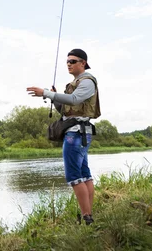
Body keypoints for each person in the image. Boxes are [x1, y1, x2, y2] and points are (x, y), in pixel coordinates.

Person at [27, 48, 101, 225]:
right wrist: (55, 98)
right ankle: (89, 216)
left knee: (75, 177)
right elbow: (67, 110)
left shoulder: (87, 81)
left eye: (73, 61)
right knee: (84, 174)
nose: (69, 64)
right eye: (67, 61)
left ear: (83, 63)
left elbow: (74, 99)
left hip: (76, 134)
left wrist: (46, 93)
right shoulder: (76, 82)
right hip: (78, 133)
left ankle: (86, 217)